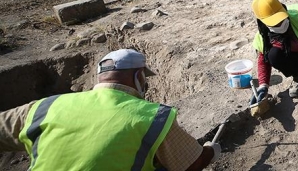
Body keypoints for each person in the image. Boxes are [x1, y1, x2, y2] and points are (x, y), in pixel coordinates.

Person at [0, 49, 218, 171]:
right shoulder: (154, 117)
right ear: (139, 77)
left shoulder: (45, 107)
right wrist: (210, 150)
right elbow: (191, 165)